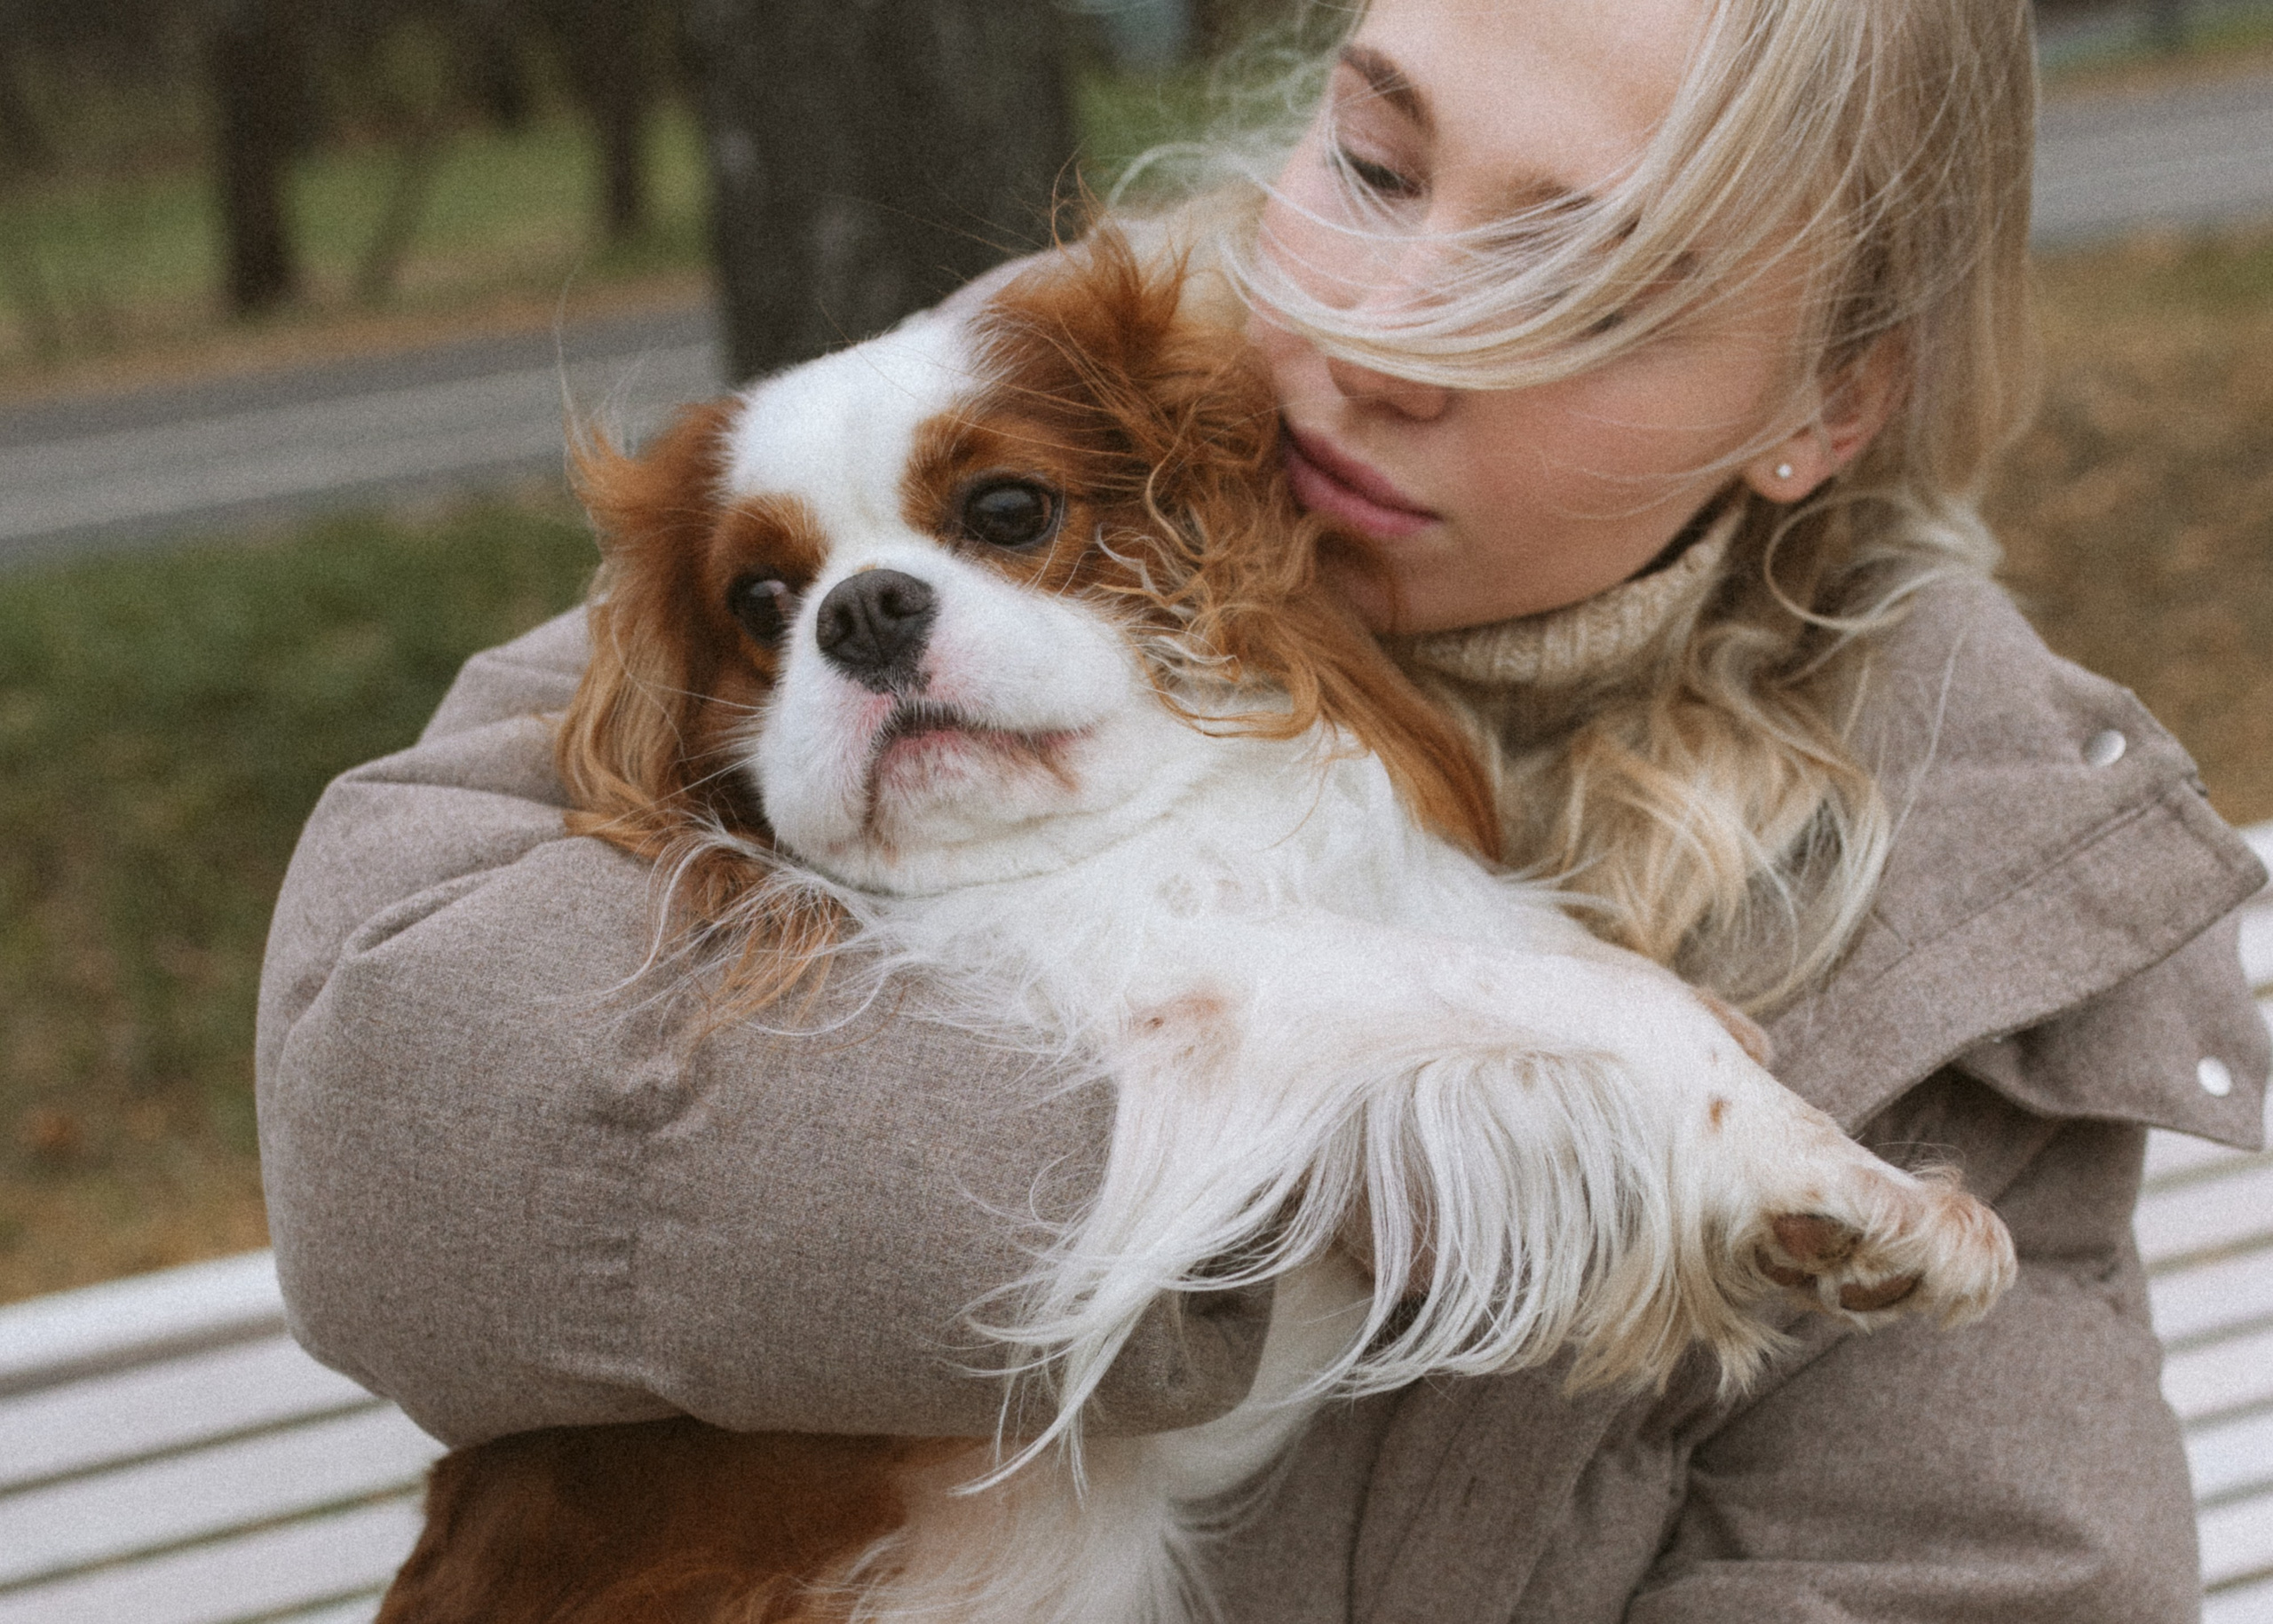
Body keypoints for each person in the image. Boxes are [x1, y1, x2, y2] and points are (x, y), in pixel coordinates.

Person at [256, 0, 2269, 1617]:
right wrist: (1323, 1147)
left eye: (1582, 276)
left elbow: (1990, 1583)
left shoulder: (1971, 857)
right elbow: (383, 1114)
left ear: (1822, 408)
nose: (1386, 329)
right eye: (1372, 163)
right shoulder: (982, 421)